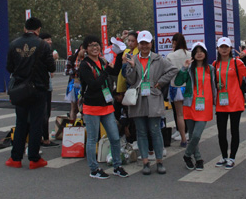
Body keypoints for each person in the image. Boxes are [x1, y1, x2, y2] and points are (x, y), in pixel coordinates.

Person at [5, 17, 56, 169]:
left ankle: (15, 158)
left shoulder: (14, 44)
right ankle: (34, 158)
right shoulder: (43, 45)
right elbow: (52, 67)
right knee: (36, 123)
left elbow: (9, 67)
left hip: (20, 90)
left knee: (21, 123)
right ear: (38, 29)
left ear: (24, 28)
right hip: (38, 89)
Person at [125, 31, 178, 175]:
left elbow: (173, 70)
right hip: (138, 100)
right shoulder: (133, 59)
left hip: (153, 98)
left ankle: (159, 161)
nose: (144, 46)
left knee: (155, 131)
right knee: (141, 132)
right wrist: (131, 67)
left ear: (151, 43)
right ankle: (145, 162)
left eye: (147, 43)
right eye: (142, 43)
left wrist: (160, 83)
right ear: (138, 44)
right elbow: (130, 80)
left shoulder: (158, 59)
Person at [78, 35, 128, 179]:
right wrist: (105, 71)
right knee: (92, 139)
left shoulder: (102, 61)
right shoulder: (85, 65)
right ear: (86, 48)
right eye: (91, 45)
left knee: (115, 137)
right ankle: (94, 169)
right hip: (92, 107)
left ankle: (117, 166)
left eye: (97, 45)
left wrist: (119, 54)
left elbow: (115, 71)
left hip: (106, 106)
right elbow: (93, 85)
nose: (95, 48)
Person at [213, 37, 246, 169]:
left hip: (235, 102)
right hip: (221, 103)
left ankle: (232, 157)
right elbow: (212, 82)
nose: (224, 49)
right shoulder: (215, 64)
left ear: (230, 48)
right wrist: (216, 85)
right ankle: (224, 156)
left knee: (234, 131)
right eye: (221, 47)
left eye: (226, 47)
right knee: (221, 132)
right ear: (218, 49)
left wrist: (245, 59)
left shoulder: (237, 63)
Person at [175, 42, 216, 171]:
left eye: (201, 51)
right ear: (193, 54)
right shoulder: (189, 69)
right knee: (193, 135)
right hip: (190, 105)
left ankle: (187, 155)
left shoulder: (210, 69)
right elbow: (177, 82)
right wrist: (183, 68)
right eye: (196, 51)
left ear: (205, 53)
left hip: (205, 105)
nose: (199, 53)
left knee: (197, 135)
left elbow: (215, 85)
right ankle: (198, 159)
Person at [166, 32, 191, 147]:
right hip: (189, 87)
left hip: (176, 88)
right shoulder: (190, 54)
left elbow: (167, 72)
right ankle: (191, 134)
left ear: (175, 42)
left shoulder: (170, 56)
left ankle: (183, 138)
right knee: (189, 113)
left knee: (179, 114)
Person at [39, 33, 59, 148]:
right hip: (43, 87)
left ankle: (41, 137)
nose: (50, 42)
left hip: (44, 86)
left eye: (50, 39)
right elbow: (51, 67)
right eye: (47, 39)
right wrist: (52, 58)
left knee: (44, 113)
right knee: (44, 113)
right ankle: (45, 139)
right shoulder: (43, 52)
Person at [65, 45, 85, 120]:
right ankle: (72, 124)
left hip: (84, 85)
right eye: (83, 48)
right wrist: (77, 69)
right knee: (73, 108)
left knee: (83, 108)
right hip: (73, 84)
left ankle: (84, 124)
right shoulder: (71, 58)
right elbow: (67, 71)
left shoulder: (87, 59)